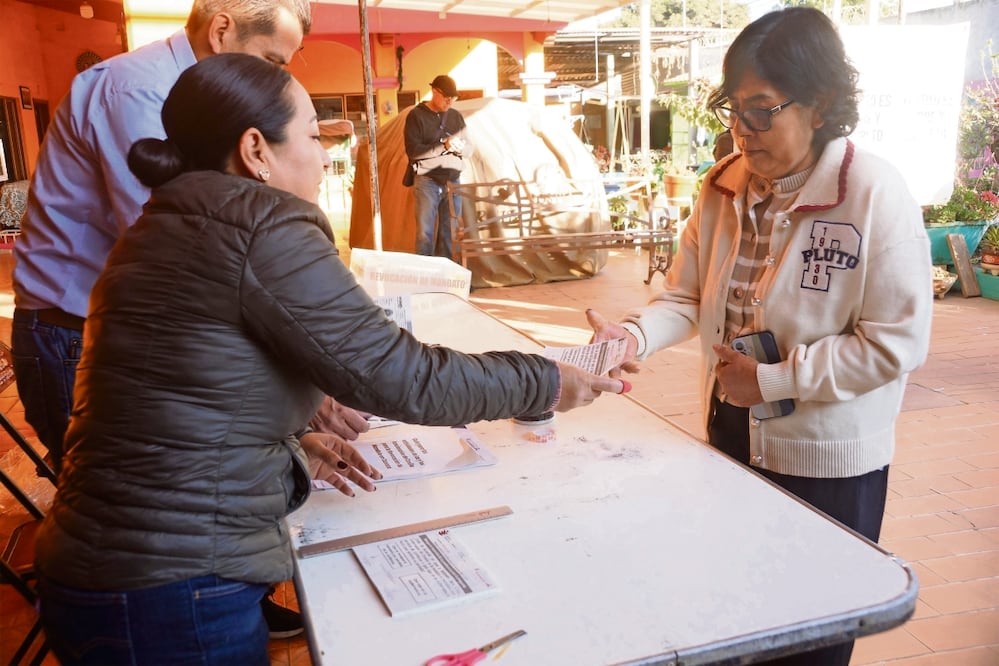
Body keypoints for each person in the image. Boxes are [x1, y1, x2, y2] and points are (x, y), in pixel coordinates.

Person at [33, 53, 623, 666]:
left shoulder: (166, 224)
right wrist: (545, 379)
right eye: (314, 136)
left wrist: (287, 449)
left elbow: (184, 401)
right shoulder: (259, 225)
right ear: (256, 149)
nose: (324, 155)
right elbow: (402, 376)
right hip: (170, 589)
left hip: (103, 567)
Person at [587, 8, 932, 665]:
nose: (740, 131)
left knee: (812, 638)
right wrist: (632, 336)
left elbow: (895, 343)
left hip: (825, 464)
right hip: (729, 434)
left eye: (760, 110)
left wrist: (773, 380)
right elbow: (685, 296)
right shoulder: (721, 188)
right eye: (731, 109)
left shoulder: (871, 193)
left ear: (821, 101)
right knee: (734, 621)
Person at [9, 0, 338, 639]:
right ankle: (180, 621)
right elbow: (198, 257)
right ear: (221, 32)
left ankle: (220, 602)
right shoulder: (138, 90)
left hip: (120, 331)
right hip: (76, 335)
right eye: (271, 60)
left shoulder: (186, 98)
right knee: (147, 528)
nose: (277, 83)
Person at [403, 74, 470, 258]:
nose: (450, 101)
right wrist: (444, 146)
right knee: (425, 234)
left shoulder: (456, 116)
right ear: (434, 92)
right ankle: (426, 281)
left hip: (452, 182)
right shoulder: (416, 116)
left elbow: (470, 149)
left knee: (450, 233)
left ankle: (448, 279)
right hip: (427, 181)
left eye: (453, 98)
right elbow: (414, 151)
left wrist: (460, 148)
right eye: (447, 96)